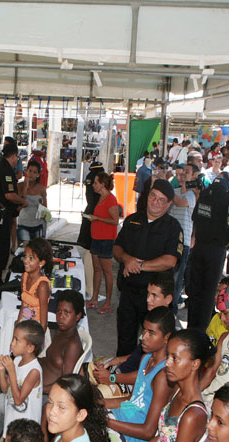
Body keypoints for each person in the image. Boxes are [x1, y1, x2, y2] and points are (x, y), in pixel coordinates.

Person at [122, 329, 211, 442]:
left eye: (175, 358)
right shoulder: (177, 391)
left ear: (195, 364)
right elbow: (162, 437)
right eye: (168, 356)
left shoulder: (193, 414)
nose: (167, 363)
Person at [113, 179, 183, 356]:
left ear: (168, 205)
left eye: (161, 200)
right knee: (125, 340)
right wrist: (126, 259)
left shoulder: (173, 227)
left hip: (154, 298)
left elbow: (170, 260)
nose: (155, 202)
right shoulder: (132, 220)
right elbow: (116, 248)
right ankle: (121, 378)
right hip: (128, 292)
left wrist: (139, 266)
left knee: (152, 345)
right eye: (153, 196)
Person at [106, 307, 174, 442]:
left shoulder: (163, 375)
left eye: (151, 333)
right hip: (120, 420)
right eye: (144, 331)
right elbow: (132, 400)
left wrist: (108, 422)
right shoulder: (146, 359)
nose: (143, 337)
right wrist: (101, 403)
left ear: (166, 337)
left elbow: (148, 431)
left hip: (132, 441)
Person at [92, 272, 175, 398]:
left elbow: (146, 374)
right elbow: (138, 355)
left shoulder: (166, 330)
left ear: (168, 299)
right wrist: (115, 361)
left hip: (131, 384)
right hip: (121, 372)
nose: (148, 299)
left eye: (154, 296)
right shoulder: (150, 319)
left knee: (94, 396)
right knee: (86, 371)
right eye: (148, 293)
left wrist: (112, 377)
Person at [186, 173, 229, 330]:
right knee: (208, 292)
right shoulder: (227, 197)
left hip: (199, 247)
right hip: (215, 250)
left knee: (195, 290)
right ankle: (202, 329)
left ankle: (191, 327)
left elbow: (195, 217)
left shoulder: (206, 193)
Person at [0, 143, 26, 297]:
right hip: (1, 215)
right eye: (17, 157)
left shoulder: (1, 166)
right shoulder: (5, 169)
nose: (17, 160)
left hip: (1, 213)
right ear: (13, 156)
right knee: (1, 251)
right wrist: (23, 202)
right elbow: (9, 195)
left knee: (2, 250)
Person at [86, 171, 119, 315]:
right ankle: (94, 298)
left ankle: (107, 302)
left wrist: (97, 219)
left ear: (103, 185)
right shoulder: (100, 198)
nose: (93, 185)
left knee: (107, 272)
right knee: (97, 269)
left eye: (96, 183)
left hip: (106, 240)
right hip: (96, 238)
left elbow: (115, 221)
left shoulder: (111, 200)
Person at [169, 164, 200, 313]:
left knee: (176, 279)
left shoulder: (192, 195)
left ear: (194, 176)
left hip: (183, 243)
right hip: (169, 240)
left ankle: (172, 311)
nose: (182, 175)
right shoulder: (173, 191)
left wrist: (165, 187)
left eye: (186, 172)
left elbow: (180, 202)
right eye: (181, 172)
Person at [78, 161, 106, 296]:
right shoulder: (96, 179)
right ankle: (89, 289)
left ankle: (89, 288)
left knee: (90, 252)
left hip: (89, 213)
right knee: (91, 252)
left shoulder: (89, 177)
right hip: (94, 215)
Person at [17, 238, 53, 331]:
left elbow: (44, 322)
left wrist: (37, 343)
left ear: (41, 263)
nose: (25, 261)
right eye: (25, 256)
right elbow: (23, 305)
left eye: (31, 258)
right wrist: (17, 326)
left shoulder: (42, 286)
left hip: (36, 330)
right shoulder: (24, 277)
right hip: (24, 324)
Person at [16, 160, 48, 242]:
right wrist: (25, 187)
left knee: (37, 250)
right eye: (30, 171)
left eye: (34, 172)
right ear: (26, 171)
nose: (31, 174)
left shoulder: (41, 188)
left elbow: (45, 208)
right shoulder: (19, 185)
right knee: (24, 250)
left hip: (38, 224)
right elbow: (20, 204)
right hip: (23, 223)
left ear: (38, 175)